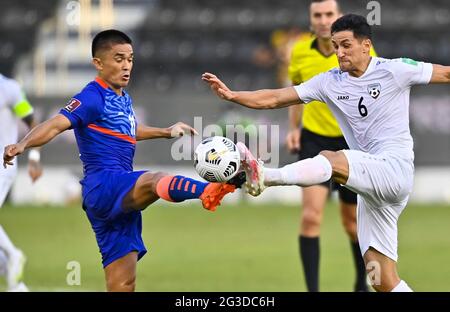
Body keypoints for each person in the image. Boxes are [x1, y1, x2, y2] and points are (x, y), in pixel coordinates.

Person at [202, 14, 450, 292]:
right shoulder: (329, 82)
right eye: (335, 46)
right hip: (372, 192)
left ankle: (265, 176)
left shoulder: (395, 70)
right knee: (381, 279)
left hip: (394, 169)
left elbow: (447, 72)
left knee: (331, 158)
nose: (340, 53)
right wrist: (234, 96)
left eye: (346, 45)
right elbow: (275, 98)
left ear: (366, 45)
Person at [3, 30, 238, 292]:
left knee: (123, 285)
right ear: (98, 63)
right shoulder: (92, 96)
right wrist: (23, 144)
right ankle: (207, 191)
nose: (126, 65)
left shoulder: (122, 98)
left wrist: (166, 132)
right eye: (118, 58)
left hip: (116, 196)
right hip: (104, 185)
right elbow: (56, 124)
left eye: (130, 59)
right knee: (155, 180)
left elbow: (128, 129)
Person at [286, 0, 376, 292]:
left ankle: (360, 284)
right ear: (311, 21)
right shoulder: (299, 52)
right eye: (317, 15)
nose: (324, 20)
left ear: (338, 18)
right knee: (311, 217)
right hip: (314, 139)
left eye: (329, 14)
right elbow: (296, 93)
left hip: (350, 144)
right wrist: (293, 129)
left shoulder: (360, 52)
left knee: (352, 223)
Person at [0, 73, 42, 291]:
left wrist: (34, 159)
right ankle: (17, 287)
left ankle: (13, 253)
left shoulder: (8, 88)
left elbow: (32, 122)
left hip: (2, 164)